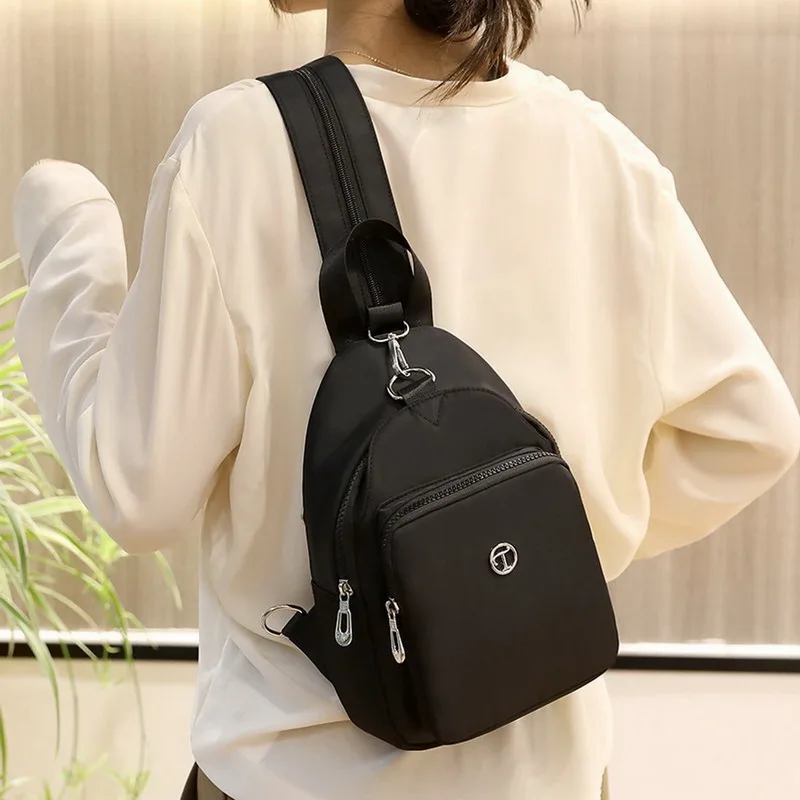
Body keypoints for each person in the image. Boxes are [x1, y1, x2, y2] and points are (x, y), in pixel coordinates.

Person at [12, 0, 800, 796]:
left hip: (299, 777)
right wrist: (528, 544)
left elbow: (137, 493)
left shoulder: (241, 144)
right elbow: (751, 429)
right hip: (549, 773)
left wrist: (70, 254)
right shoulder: (597, 150)